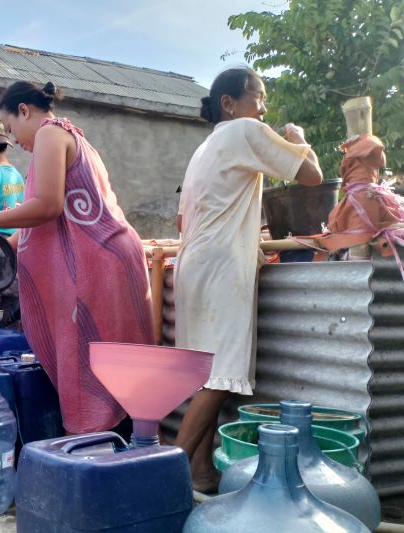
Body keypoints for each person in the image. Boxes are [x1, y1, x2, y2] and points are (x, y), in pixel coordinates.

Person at [0, 81, 155, 435]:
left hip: (97, 264)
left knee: (88, 362)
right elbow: (41, 221)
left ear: (25, 111)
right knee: (110, 365)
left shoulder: (51, 133)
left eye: (12, 127)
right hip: (110, 258)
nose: (15, 141)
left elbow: (47, 207)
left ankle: (95, 450)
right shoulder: (75, 139)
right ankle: (123, 449)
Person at [173, 67, 323, 493]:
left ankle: (199, 473)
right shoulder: (244, 130)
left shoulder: (206, 146)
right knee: (222, 377)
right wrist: (296, 137)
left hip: (195, 263)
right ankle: (166, 473)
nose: (264, 108)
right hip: (221, 266)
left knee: (206, 375)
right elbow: (311, 174)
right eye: (258, 96)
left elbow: (183, 217)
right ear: (229, 103)